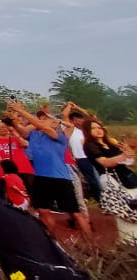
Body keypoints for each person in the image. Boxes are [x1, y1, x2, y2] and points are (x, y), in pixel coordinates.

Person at [13, 99, 91, 236]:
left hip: (60, 178)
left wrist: (21, 111)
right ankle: (53, 242)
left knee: (76, 213)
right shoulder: (34, 135)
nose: (42, 120)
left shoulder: (59, 136)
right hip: (41, 178)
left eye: (46, 118)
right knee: (43, 211)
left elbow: (43, 126)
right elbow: (21, 131)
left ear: (55, 123)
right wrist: (13, 118)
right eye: (40, 118)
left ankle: (93, 246)